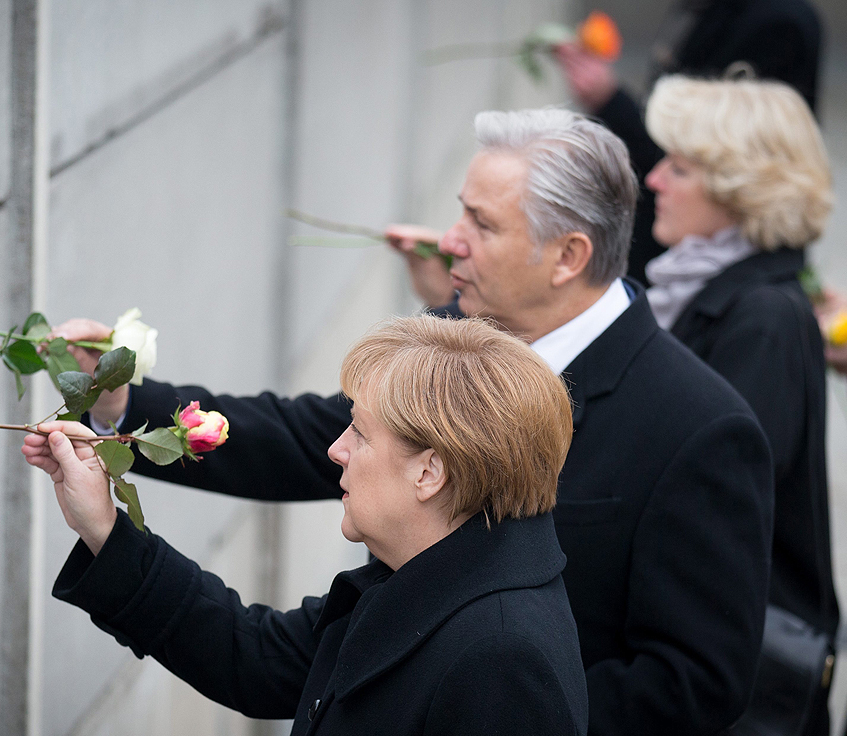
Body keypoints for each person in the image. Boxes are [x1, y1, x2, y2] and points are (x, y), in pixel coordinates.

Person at [48, 108, 774, 735]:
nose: (449, 240)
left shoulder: (702, 428)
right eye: (461, 211)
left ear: (568, 256)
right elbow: (302, 450)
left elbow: (694, 685)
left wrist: (481, 701)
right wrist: (121, 409)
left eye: (481, 224)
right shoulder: (457, 349)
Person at [26, 316, 589, 735]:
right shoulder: (434, 571)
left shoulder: (502, 661)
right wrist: (104, 527)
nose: (335, 449)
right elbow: (256, 656)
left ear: (430, 471)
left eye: (360, 434)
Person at [641, 75, 837, 734]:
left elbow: (713, 501)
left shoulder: (763, 318)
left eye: (680, 166)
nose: (654, 179)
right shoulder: (710, 289)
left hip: (729, 673)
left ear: (738, 187)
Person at [554, 0, 822, 284]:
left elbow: (729, 158)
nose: (656, 180)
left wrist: (611, 101)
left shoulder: (777, 22)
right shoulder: (709, 11)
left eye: (678, 168)